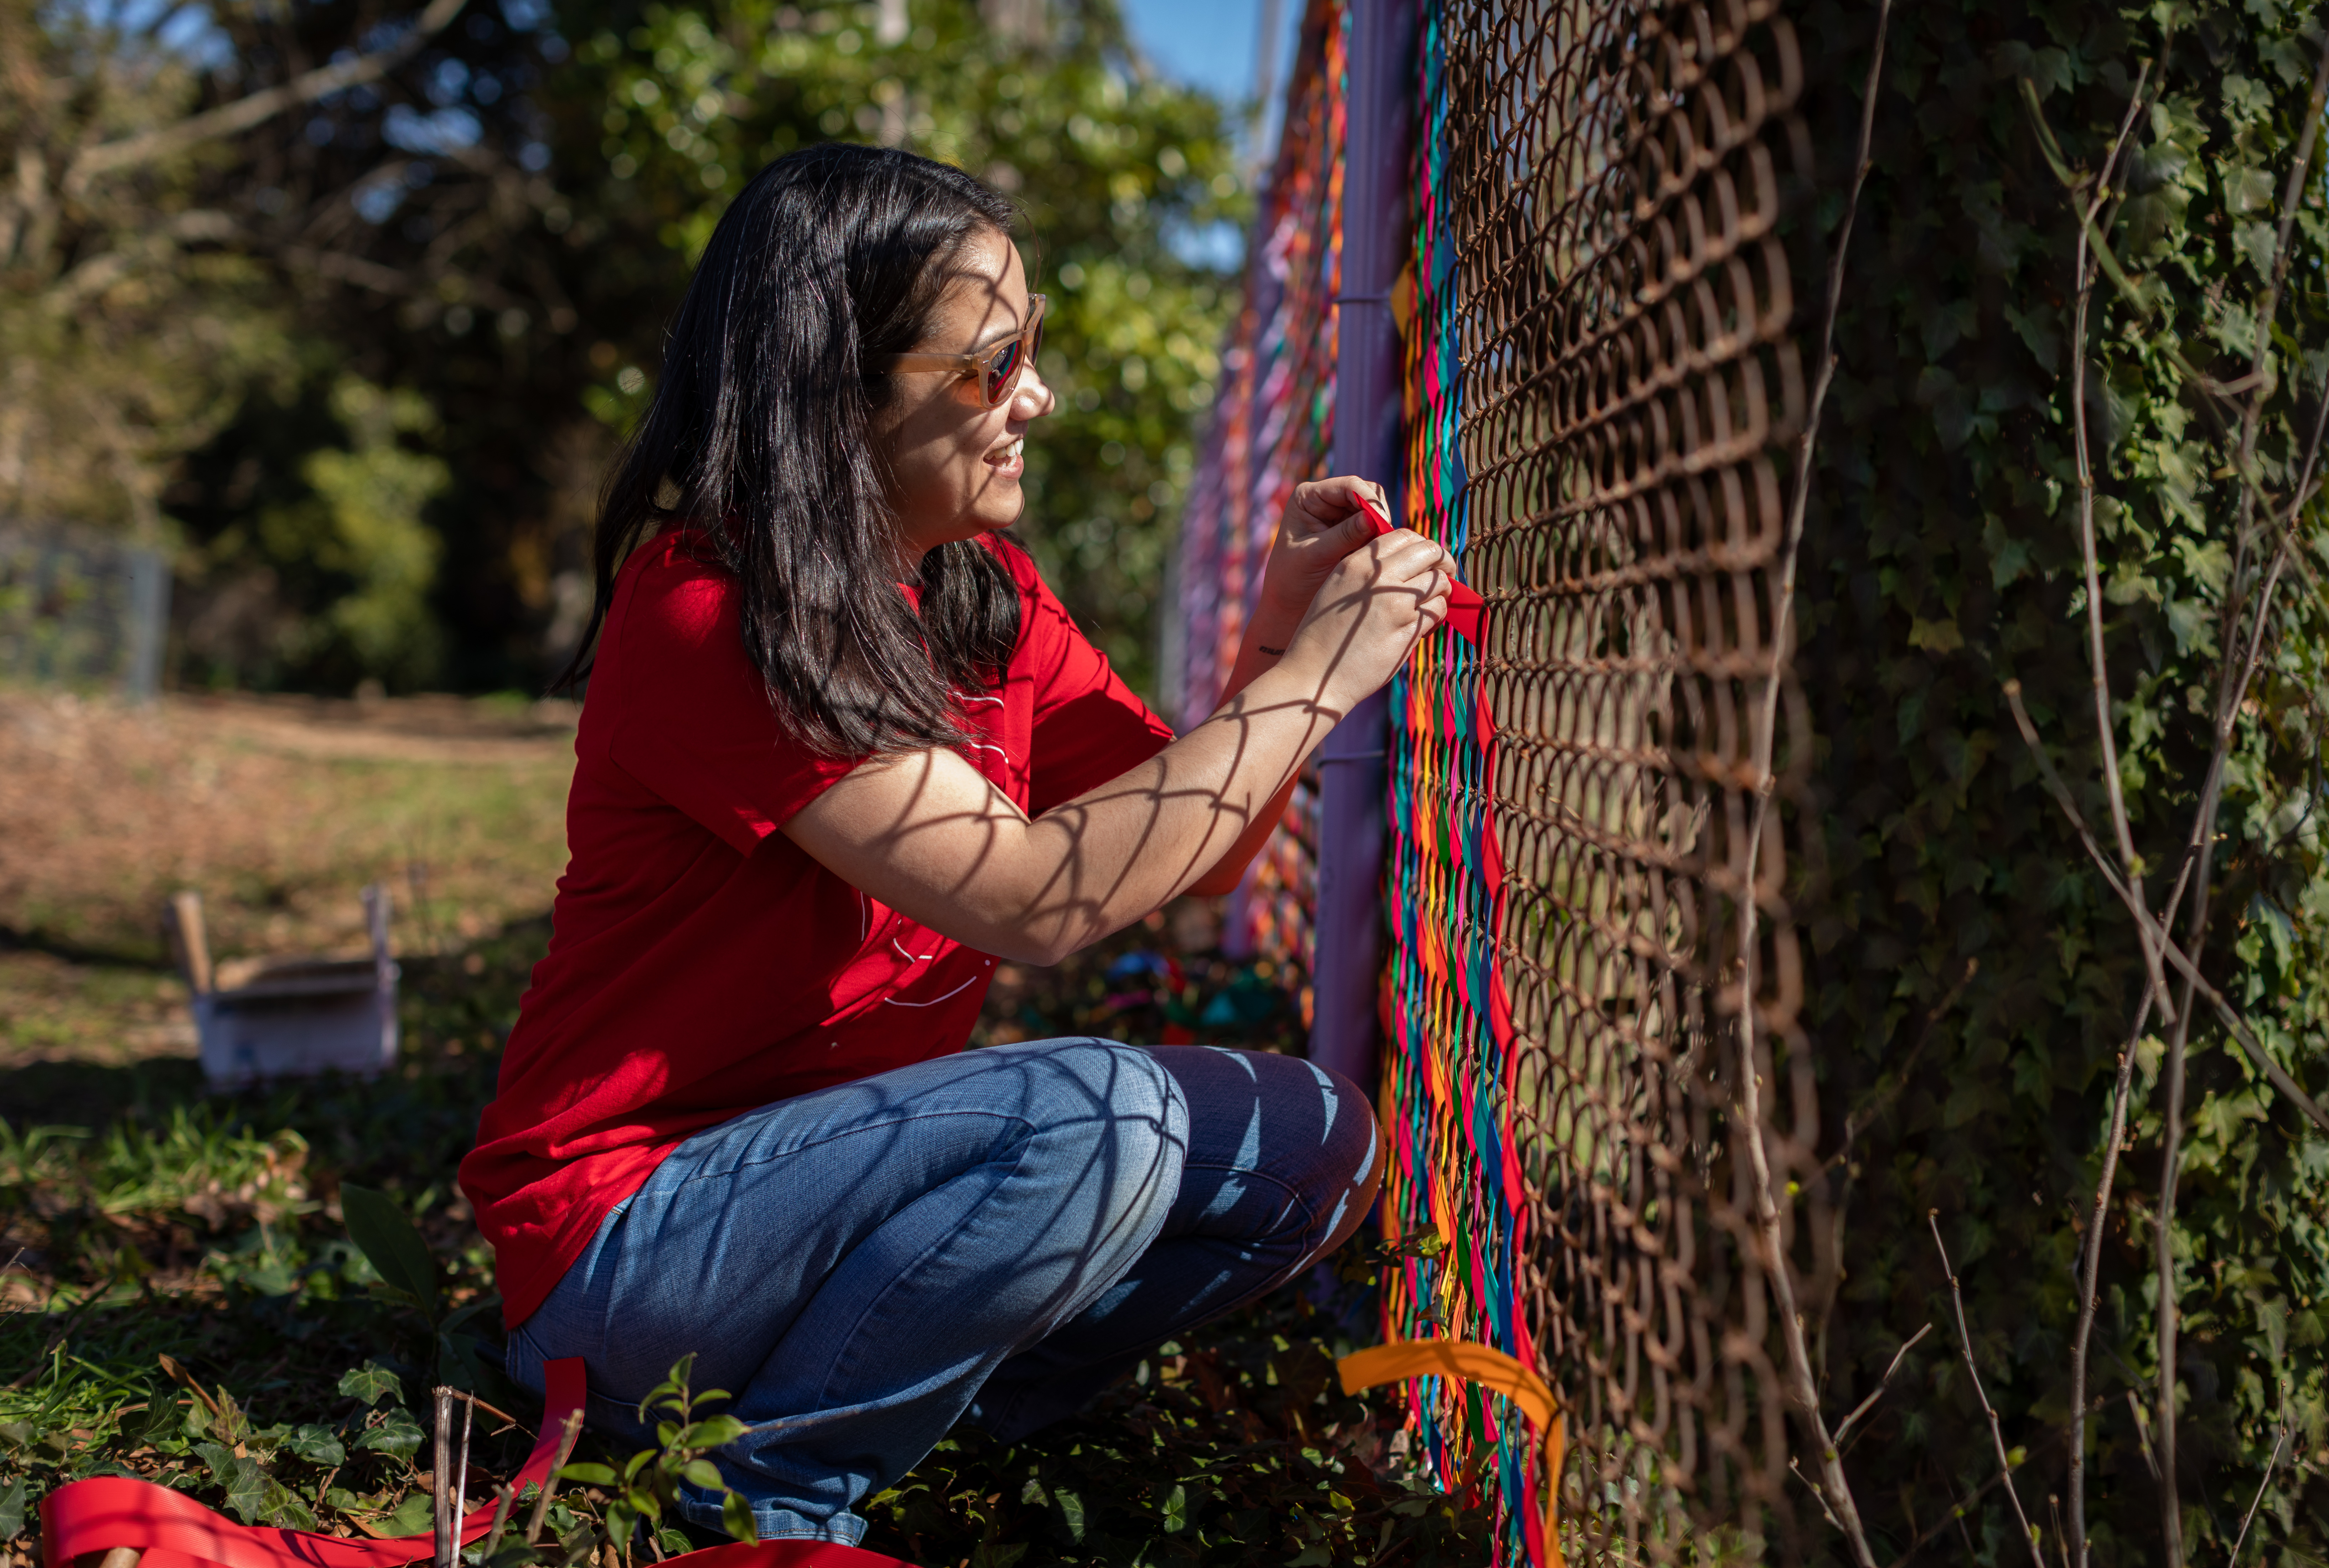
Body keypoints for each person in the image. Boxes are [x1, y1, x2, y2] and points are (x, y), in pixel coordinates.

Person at [458, 142, 1452, 1548]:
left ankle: (920, 1409)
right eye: (990, 367)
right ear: (839, 391)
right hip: (630, 1250)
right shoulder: (711, 611)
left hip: (832, 1206)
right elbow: (1036, 903)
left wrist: (1287, 629)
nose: (1033, 398)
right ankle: (773, 1497)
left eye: (1028, 354)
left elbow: (1196, 853)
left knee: (1316, 1153)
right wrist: (1328, 678)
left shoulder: (982, 595)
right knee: (1102, 1120)